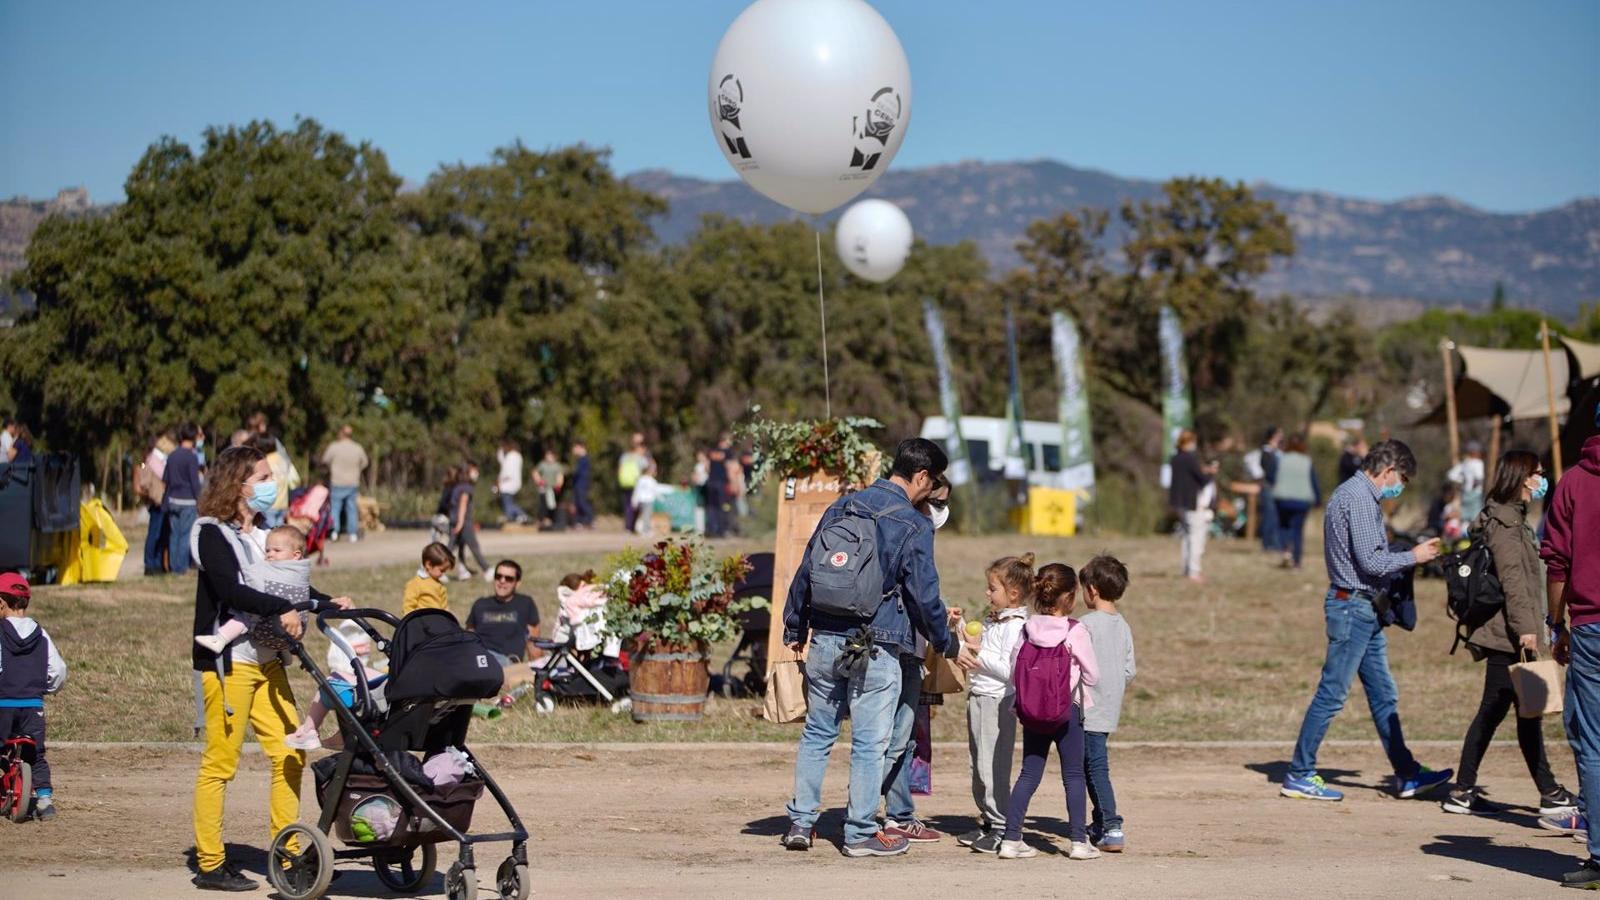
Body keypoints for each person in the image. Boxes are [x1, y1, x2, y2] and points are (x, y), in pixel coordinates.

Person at [780, 438, 974, 858]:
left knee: (818, 732)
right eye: (933, 482)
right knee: (870, 742)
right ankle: (859, 833)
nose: (931, 491)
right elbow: (924, 596)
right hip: (878, 643)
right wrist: (947, 642)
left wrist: (795, 623)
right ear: (921, 476)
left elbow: (808, 566)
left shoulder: (843, 506)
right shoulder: (912, 523)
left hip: (825, 637)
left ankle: (801, 822)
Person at [189, 444, 350, 892]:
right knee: (221, 763)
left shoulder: (265, 534)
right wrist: (282, 608)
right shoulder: (211, 534)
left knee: (290, 752)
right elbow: (231, 590)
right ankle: (210, 863)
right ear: (237, 484)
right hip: (230, 664)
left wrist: (327, 602)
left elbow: (289, 584)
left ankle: (288, 852)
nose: (270, 484)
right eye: (262, 477)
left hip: (268, 661)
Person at [1281, 439, 1449, 802]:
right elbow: (1372, 562)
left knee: (1383, 695)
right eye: (1402, 479)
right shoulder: (1358, 498)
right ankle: (1300, 772)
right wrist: (1414, 556)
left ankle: (1406, 773)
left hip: (1364, 609)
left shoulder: (1355, 494)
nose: (1400, 486)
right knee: (1332, 693)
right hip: (1352, 608)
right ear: (1388, 470)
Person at [1442, 451, 1575, 816]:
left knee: (1524, 712)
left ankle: (1541, 790)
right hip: (1509, 634)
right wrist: (1526, 630)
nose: (1542, 480)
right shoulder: (1505, 522)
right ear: (1522, 477)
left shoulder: (1513, 518)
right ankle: (1468, 791)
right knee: (1499, 710)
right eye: (1538, 474)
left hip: (1513, 631)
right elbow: (1513, 580)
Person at [1000, 562, 1100, 861]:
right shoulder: (1075, 630)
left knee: (1029, 773)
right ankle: (1079, 842)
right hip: (1067, 711)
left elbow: (1013, 670)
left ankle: (1010, 839)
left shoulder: (1026, 629)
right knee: (1073, 775)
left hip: (1032, 711)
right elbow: (1093, 675)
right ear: (1068, 596)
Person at [878, 475, 954, 845]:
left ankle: (898, 813)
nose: (940, 510)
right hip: (903, 649)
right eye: (936, 501)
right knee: (895, 740)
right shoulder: (911, 530)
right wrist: (947, 641)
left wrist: (941, 612)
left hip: (912, 648)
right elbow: (916, 596)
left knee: (902, 739)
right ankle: (878, 814)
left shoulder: (902, 528)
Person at [1544, 414, 1600, 889]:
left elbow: (1557, 563)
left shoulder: (1574, 483)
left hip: (1591, 626)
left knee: (1593, 741)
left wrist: (1556, 624)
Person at [956, 550, 1032, 854]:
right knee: (977, 764)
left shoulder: (1015, 626)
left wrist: (977, 653)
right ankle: (988, 820)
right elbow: (979, 649)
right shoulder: (997, 620)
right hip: (979, 696)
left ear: (1012, 593)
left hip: (997, 701)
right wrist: (959, 628)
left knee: (993, 767)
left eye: (992, 588)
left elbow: (1009, 670)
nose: (987, 593)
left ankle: (1003, 826)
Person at [1078, 554, 1135, 853]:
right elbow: (1129, 670)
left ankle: (1112, 826)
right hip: (1110, 708)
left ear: (1092, 590)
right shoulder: (1122, 625)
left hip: (1088, 709)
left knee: (1095, 767)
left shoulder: (1085, 625)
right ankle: (1101, 824)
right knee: (1093, 765)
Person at [0, 573, 67, 822]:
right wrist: (45, 688)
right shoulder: (40, 633)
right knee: (36, 754)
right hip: (33, 705)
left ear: (1, 603)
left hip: (3, 705)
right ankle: (45, 801)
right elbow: (58, 670)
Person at [193, 525, 310, 655]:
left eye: (277, 550)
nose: (270, 555)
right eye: (267, 550)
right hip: (291, 632)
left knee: (246, 616)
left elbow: (252, 578)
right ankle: (285, 655)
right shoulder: (300, 573)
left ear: (296, 555)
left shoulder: (280, 571)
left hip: (273, 627)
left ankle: (221, 638)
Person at [284, 622, 386, 752]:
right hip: (401, 698)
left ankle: (308, 729)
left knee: (331, 682)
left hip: (378, 700)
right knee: (348, 676)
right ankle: (342, 734)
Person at [467, 560, 542, 662]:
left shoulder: (525, 603)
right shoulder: (480, 604)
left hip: (506, 663)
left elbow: (533, 643)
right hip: (480, 660)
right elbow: (468, 639)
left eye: (509, 578)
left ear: (517, 583)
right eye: (498, 576)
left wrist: (538, 668)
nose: (502, 581)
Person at [1168, 430, 1216, 583]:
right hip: (1191, 502)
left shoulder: (1175, 458)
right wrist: (1211, 472)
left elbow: (1188, 474)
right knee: (1196, 536)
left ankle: (1186, 569)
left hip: (1179, 502)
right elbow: (1202, 479)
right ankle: (1194, 571)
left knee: (1187, 536)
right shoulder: (1190, 458)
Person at [1274, 435, 1322, 569]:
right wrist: (1318, 500)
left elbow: (1273, 476)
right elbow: (1314, 481)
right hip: (1302, 500)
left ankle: (1285, 549)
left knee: (1283, 526)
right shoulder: (1307, 461)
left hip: (1283, 498)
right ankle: (1297, 562)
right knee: (1297, 530)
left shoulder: (1281, 459)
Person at [163, 423, 204, 576]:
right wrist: (200, 499)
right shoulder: (191, 457)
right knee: (185, 535)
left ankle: (173, 566)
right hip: (188, 501)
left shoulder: (172, 456)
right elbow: (195, 482)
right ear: (193, 437)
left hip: (173, 499)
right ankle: (181, 568)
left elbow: (166, 479)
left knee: (174, 535)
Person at [320, 424, 368, 542]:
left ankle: (334, 532)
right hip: (352, 482)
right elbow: (365, 462)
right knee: (351, 509)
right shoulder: (357, 448)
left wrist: (332, 468)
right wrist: (356, 469)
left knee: (335, 508)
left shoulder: (334, 447)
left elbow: (325, 460)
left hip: (337, 482)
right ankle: (352, 534)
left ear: (341, 433)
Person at [138, 431, 175, 576]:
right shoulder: (153, 460)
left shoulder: (160, 459)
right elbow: (162, 476)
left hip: (162, 500)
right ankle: (150, 563)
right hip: (157, 501)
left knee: (161, 533)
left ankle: (158, 563)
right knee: (154, 533)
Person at [448, 463, 491, 581]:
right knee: (474, 546)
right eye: (474, 471)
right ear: (466, 473)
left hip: (454, 520)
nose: (476, 474)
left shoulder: (457, 486)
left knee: (450, 548)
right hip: (463, 522)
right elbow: (463, 504)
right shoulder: (466, 488)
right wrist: (461, 523)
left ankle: (434, 568)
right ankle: (487, 569)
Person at [1245, 427, 1284, 553]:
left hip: (1277, 488)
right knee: (1269, 515)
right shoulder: (1265, 452)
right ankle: (1268, 544)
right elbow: (1264, 471)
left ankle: (1275, 543)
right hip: (1268, 487)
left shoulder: (1277, 452)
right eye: (1278, 434)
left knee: (1275, 516)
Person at [403, 543, 455, 616]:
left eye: (445, 571)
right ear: (429, 565)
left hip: (438, 620)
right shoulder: (416, 584)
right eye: (441, 570)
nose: (443, 574)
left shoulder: (440, 585)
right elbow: (408, 607)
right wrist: (413, 620)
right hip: (422, 621)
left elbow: (444, 607)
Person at [257, 434, 297, 529]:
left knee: (268, 531)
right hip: (283, 502)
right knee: (279, 531)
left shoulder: (264, 461)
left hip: (269, 503)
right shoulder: (282, 459)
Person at [1448, 441, 1488, 527]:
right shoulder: (1478, 463)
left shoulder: (1465, 463)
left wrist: (1462, 481)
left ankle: (1464, 532)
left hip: (1465, 493)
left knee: (1464, 518)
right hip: (1475, 493)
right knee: (1475, 518)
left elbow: (1451, 475)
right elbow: (1479, 478)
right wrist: (1474, 486)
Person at [618, 432, 650, 533]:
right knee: (637, 506)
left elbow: (620, 469)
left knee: (628, 505)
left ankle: (628, 527)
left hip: (625, 482)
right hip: (637, 484)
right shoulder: (640, 458)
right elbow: (648, 469)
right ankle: (633, 526)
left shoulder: (624, 456)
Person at [495, 440, 531, 525]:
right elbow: (504, 464)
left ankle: (522, 515)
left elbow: (506, 471)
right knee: (509, 503)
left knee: (508, 504)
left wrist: (499, 481)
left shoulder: (511, 456)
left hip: (508, 483)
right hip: (514, 483)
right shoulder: (517, 456)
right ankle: (514, 517)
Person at [534, 449, 565, 527]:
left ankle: (551, 519)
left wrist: (559, 485)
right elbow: (535, 472)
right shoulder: (542, 465)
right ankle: (542, 519)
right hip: (544, 488)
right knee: (543, 504)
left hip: (552, 489)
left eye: (549, 456)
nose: (548, 457)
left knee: (552, 505)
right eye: (547, 455)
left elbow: (560, 476)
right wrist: (539, 480)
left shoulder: (557, 466)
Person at [570, 442, 594, 529]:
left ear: (581, 447)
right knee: (577, 503)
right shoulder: (580, 460)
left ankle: (590, 519)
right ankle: (580, 521)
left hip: (581, 484)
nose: (574, 451)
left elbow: (580, 473)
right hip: (577, 484)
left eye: (575, 448)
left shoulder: (585, 460)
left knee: (582, 502)